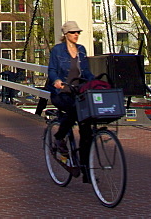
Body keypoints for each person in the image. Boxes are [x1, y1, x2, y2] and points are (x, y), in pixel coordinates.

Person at [47, 20, 94, 181]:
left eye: (78, 32)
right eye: (73, 32)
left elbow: (86, 71)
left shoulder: (81, 50)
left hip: (77, 92)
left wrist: (94, 82)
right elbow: (52, 70)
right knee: (74, 111)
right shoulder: (57, 50)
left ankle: (85, 167)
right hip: (61, 93)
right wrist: (56, 81)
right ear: (66, 34)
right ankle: (59, 137)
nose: (76, 35)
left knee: (87, 128)